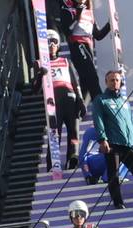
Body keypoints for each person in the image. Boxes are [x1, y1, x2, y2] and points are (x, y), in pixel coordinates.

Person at [91, 69, 133, 209]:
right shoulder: (100, 100)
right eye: (111, 80)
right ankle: (118, 202)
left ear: (121, 82)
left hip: (128, 143)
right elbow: (98, 120)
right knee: (113, 174)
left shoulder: (124, 101)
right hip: (112, 144)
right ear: (106, 82)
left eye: (117, 80)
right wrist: (103, 140)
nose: (115, 82)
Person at [34, 30, 85, 170]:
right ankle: (52, 161)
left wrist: (80, 100)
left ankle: (73, 157)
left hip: (70, 97)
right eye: (48, 42)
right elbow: (35, 89)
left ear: (58, 45)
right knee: (55, 132)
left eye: (55, 42)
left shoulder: (65, 61)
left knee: (73, 130)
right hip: (53, 101)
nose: (52, 45)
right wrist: (40, 75)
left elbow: (75, 82)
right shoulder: (39, 63)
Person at [58, 0, 111, 102]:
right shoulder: (68, 10)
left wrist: (110, 24)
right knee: (92, 77)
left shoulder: (89, 12)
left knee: (85, 82)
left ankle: (78, 111)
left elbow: (98, 35)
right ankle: (101, 104)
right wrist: (77, 14)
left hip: (88, 46)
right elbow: (67, 30)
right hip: (77, 45)